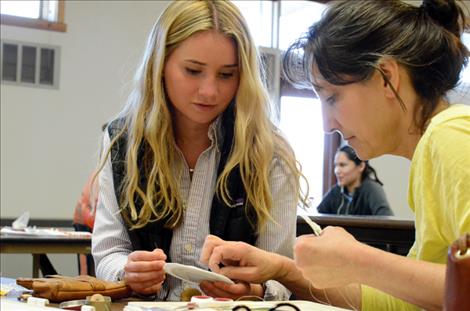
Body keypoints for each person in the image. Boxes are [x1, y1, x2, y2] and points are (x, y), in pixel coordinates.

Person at [200, 0, 470, 310]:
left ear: (386, 76)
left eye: (332, 97)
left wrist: (359, 260)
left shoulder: (450, 136)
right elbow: (405, 302)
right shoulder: (431, 151)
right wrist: (282, 270)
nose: (328, 125)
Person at [91, 0, 304, 302]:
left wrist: (253, 290)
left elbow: (282, 272)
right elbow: (109, 252)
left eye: (227, 75)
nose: (209, 91)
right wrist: (127, 271)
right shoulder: (122, 141)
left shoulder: (270, 151)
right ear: (160, 65)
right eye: (193, 71)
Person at [317, 145, 393, 216]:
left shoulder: (372, 189)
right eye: (336, 165)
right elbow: (317, 217)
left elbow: (387, 222)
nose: (337, 171)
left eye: (342, 165)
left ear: (361, 166)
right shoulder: (336, 191)